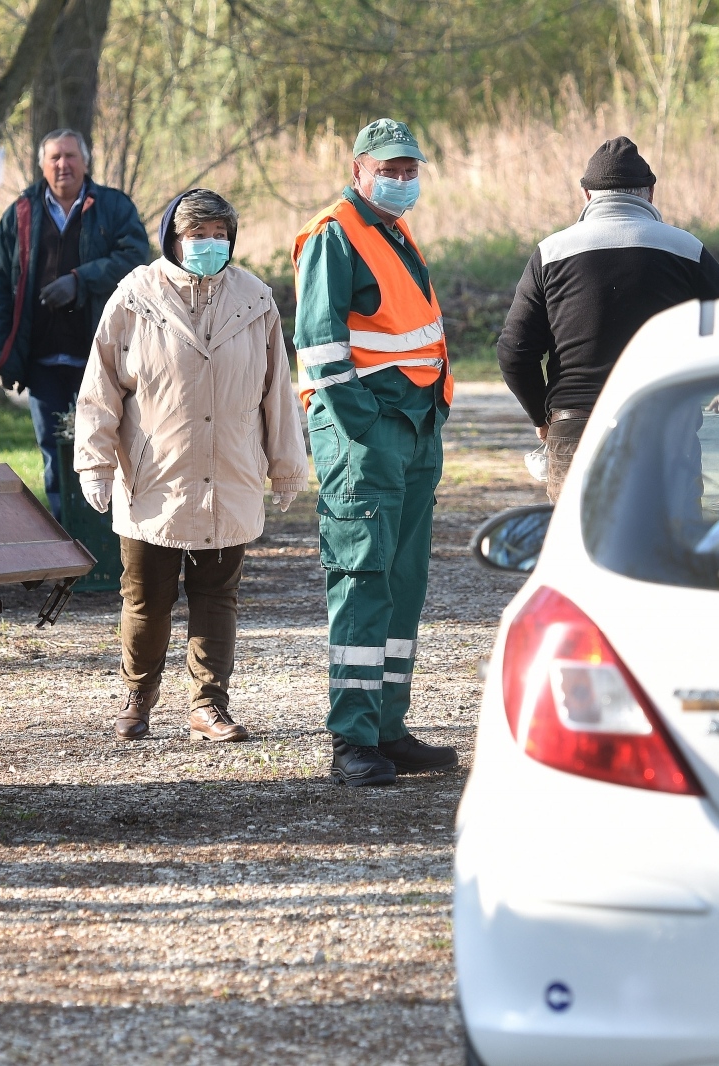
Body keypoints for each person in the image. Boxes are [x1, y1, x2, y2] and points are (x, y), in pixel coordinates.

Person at [75, 189, 308, 742]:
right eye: (196, 235)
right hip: (155, 474)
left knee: (216, 595)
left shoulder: (255, 300)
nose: (208, 244)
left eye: (218, 235)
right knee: (146, 596)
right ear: (174, 240)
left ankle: (208, 704)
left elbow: (278, 391)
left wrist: (286, 466)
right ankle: (139, 693)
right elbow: (100, 386)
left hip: (229, 471)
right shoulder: (135, 297)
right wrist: (95, 462)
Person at [294, 118, 460, 787]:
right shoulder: (336, 233)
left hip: (414, 428)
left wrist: (430, 411)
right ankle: (353, 740)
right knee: (363, 583)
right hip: (367, 436)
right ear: (359, 168)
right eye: (387, 169)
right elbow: (320, 342)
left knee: (403, 584)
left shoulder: (392, 231)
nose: (400, 180)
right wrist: (364, 424)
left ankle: (388, 728)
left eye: (408, 169)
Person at [497, 136, 719, 501]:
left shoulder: (550, 253)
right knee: (667, 549)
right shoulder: (685, 249)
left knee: (580, 551)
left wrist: (542, 419)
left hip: (576, 427)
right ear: (651, 193)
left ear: (585, 194)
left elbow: (514, 352)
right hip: (666, 423)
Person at [0, 128, 150, 517]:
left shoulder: (113, 207)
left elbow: (135, 259)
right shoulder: (21, 214)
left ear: (85, 162)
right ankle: (69, 546)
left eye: (71, 156)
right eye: (55, 157)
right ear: (42, 165)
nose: (63, 165)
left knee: (110, 447)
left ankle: (111, 544)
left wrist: (80, 281)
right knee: (53, 455)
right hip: (43, 361)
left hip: (101, 358)